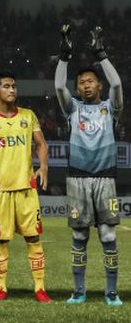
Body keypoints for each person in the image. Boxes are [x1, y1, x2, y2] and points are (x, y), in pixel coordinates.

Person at [55, 25, 123, 306]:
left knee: (107, 234)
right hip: (78, 179)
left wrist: (101, 54)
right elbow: (59, 86)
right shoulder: (73, 109)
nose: (85, 84)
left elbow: (118, 85)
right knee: (80, 235)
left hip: (105, 179)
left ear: (99, 86)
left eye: (90, 81)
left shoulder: (111, 107)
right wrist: (64, 58)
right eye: (81, 82)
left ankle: (111, 292)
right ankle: (79, 291)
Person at [0, 72, 52, 303]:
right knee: (1, 240)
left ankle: (39, 289)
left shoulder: (28, 116)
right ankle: (1, 288)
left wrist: (43, 166)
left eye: (14, 86)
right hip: (0, 190)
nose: (12, 90)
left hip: (26, 188)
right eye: (7, 86)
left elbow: (42, 144)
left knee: (33, 239)